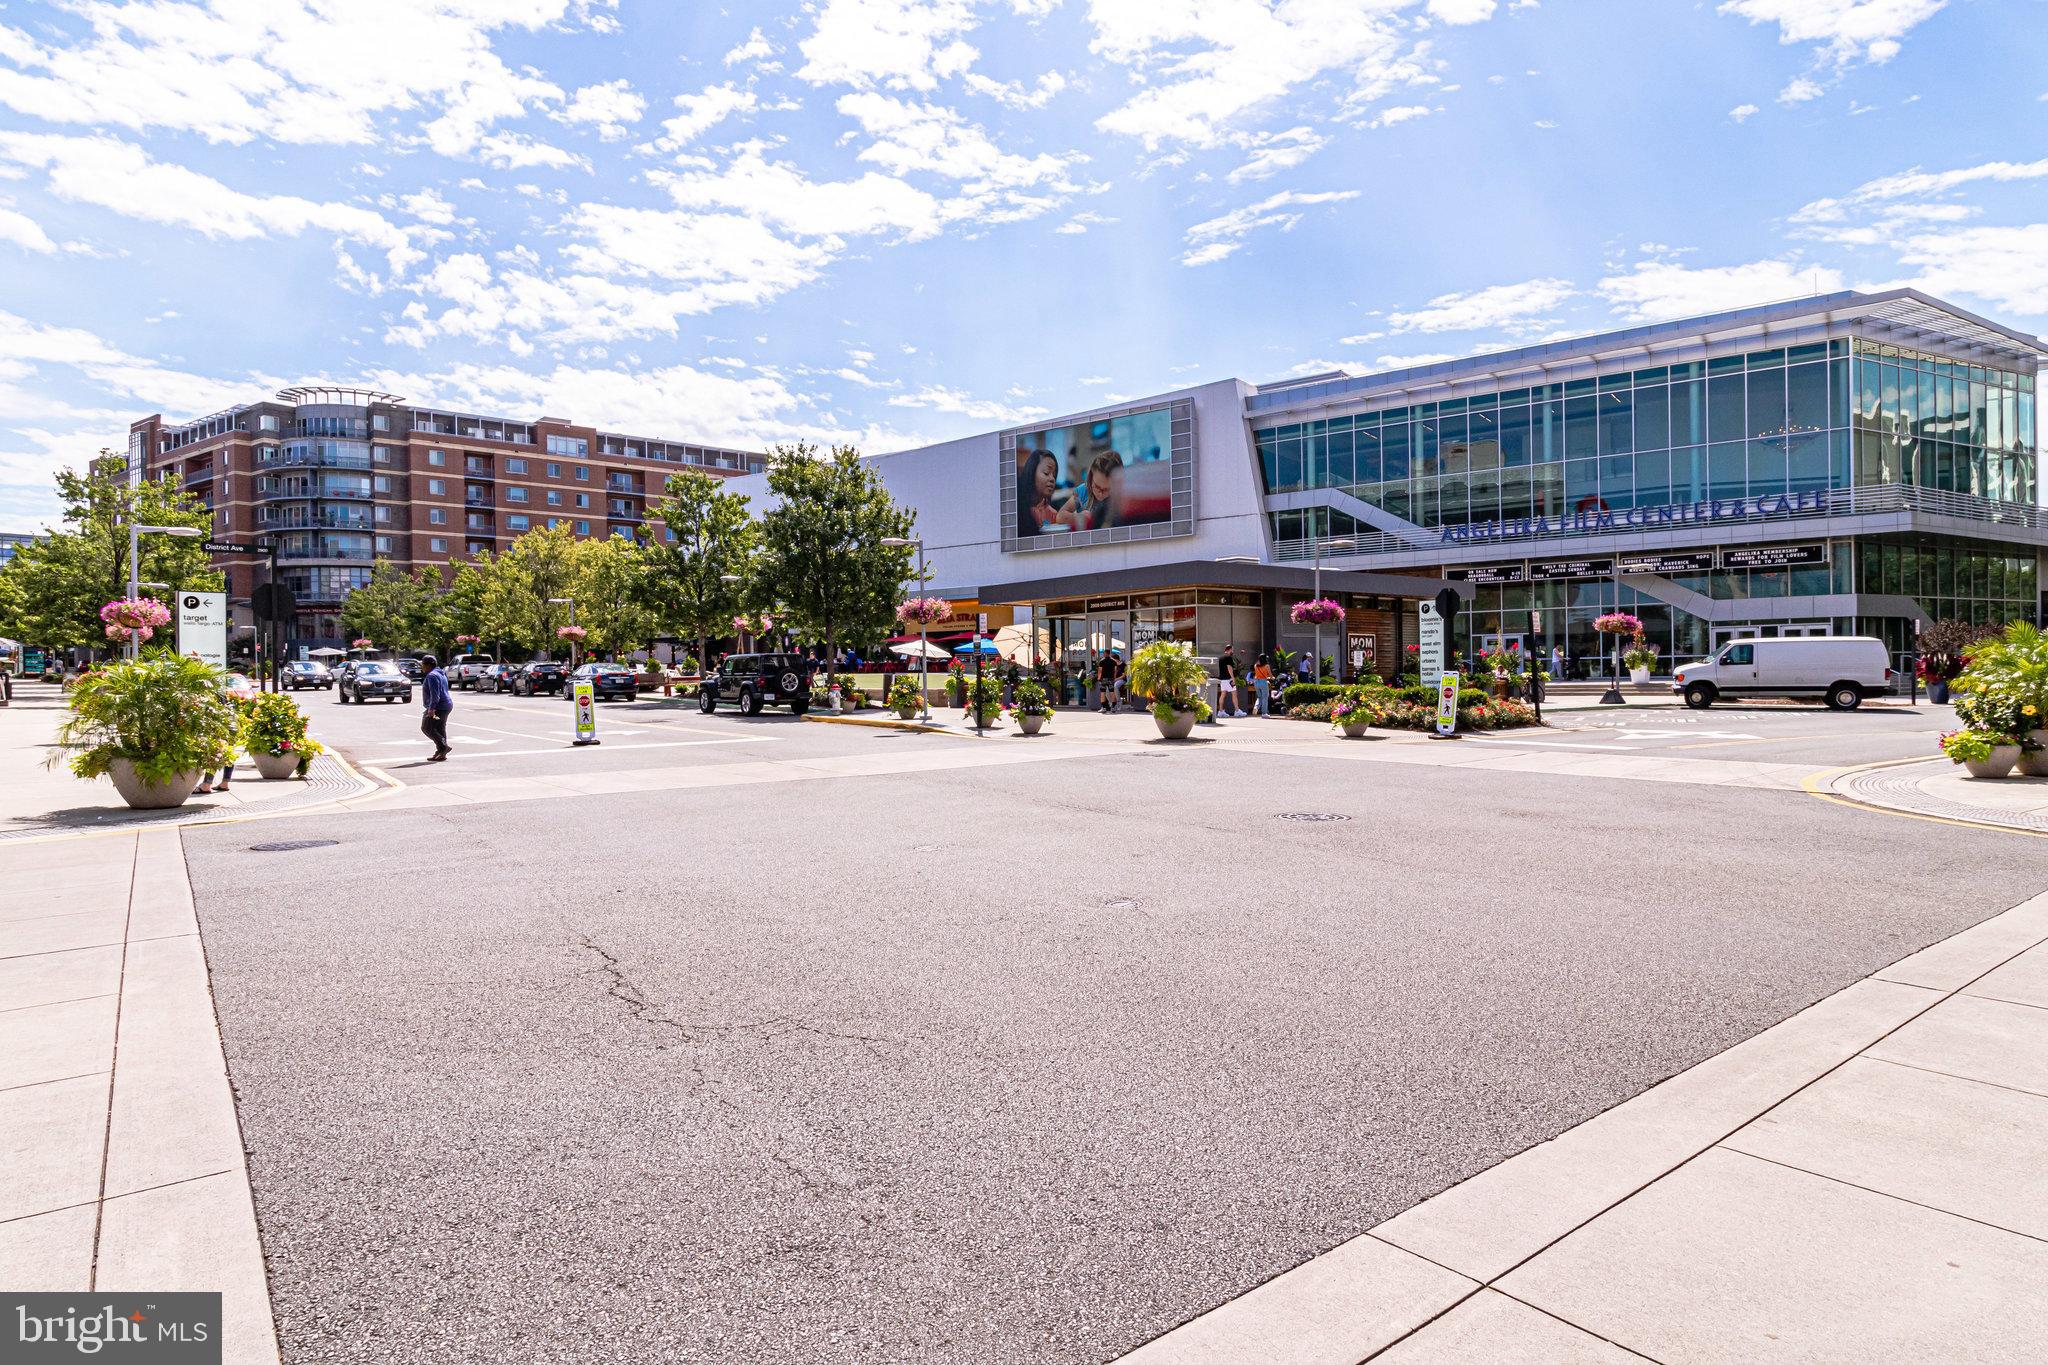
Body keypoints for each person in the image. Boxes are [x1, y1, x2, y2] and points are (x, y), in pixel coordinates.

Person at [419, 653, 453, 761]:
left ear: (428, 665)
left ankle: (443, 747)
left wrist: (431, 709)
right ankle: (441, 753)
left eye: (423, 664)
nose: (422, 667)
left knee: (426, 727)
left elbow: (435, 694)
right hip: (446, 705)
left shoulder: (432, 676)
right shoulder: (440, 673)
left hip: (439, 707)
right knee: (440, 728)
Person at [1217, 647, 1240, 717]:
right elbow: (1229, 668)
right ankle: (1237, 711)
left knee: (1222, 695)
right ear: (1229, 650)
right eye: (1232, 649)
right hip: (1229, 679)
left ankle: (1220, 711)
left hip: (1222, 680)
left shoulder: (1220, 658)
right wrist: (1233, 678)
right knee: (1234, 694)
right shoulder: (1229, 657)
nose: (1233, 651)